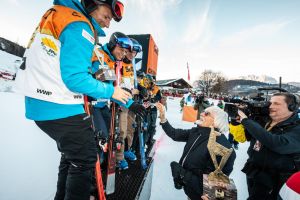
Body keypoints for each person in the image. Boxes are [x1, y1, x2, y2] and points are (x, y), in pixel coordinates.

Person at [14, 1, 132, 199]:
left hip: (44, 101)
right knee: (86, 158)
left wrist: (114, 91)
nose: (108, 24)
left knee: (73, 157)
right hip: (58, 104)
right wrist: (110, 92)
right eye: (107, 16)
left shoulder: (62, 14)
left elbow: (86, 69)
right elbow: (76, 78)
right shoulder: (80, 25)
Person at [156, 103, 236, 200]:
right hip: (190, 190)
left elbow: (215, 189)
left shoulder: (221, 147)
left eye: (207, 114)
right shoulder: (197, 132)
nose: (201, 114)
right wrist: (163, 118)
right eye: (203, 111)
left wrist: (183, 174)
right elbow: (175, 134)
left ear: (215, 122)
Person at [237, 93, 300, 200]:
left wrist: (247, 122)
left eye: (276, 103)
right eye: (270, 103)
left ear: (291, 107)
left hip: (275, 181)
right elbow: (248, 137)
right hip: (255, 173)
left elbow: (277, 144)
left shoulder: (296, 128)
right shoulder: (264, 121)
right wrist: (238, 122)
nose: (270, 106)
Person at [115, 37, 143, 169]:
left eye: (135, 53)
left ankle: (127, 149)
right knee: (122, 130)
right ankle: (119, 157)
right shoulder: (119, 63)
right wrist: (132, 91)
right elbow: (117, 83)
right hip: (122, 102)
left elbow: (132, 82)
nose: (132, 55)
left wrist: (140, 90)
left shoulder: (132, 66)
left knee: (131, 128)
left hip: (132, 101)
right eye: (130, 52)